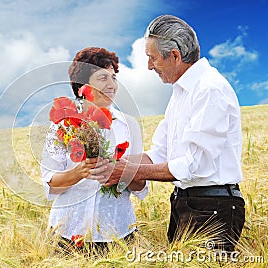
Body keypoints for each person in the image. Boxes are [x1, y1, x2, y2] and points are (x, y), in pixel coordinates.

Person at [97, 15, 245, 251]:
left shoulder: (209, 89)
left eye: (152, 58)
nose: (148, 66)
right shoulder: (180, 93)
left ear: (175, 55)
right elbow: (159, 153)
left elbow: (193, 165)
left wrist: (126, 170)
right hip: (186, 203)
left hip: (212, 206)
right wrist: (111, 163)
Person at [40, 47, 148, 253]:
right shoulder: (61, 126)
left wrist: (120, 171)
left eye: (114, 78)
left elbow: (140, 185)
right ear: (82, 85)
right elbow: (51, 183)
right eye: (102, 78)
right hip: (67, 234)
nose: (112, 85)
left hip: (117, 234)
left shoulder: (129, 126)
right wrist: (80, 171)